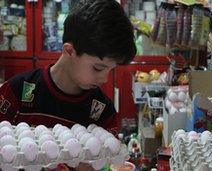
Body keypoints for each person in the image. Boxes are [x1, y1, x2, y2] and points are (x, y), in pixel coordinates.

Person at [0, 0, 136, 133]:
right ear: (69, 51)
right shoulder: (17, 91)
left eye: (111, 69)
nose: (104, 79)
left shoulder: (103, 113)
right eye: (98, 68)